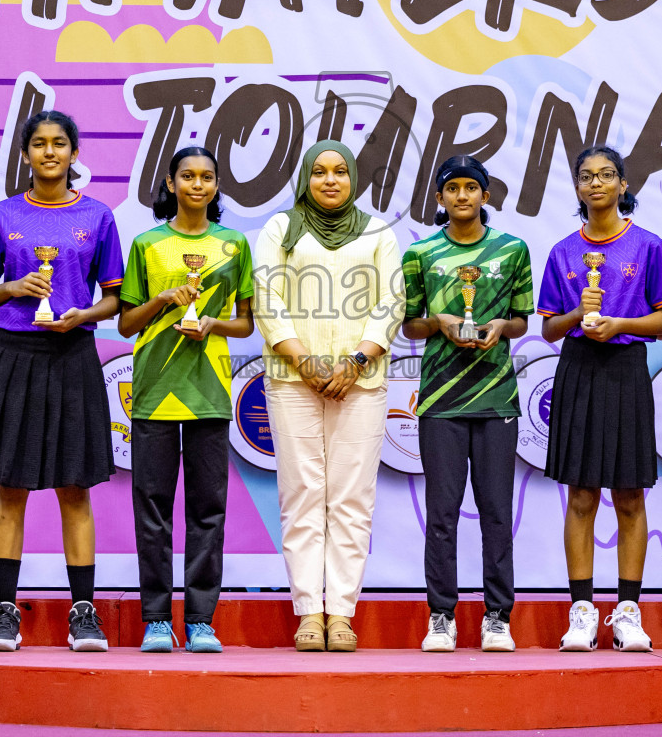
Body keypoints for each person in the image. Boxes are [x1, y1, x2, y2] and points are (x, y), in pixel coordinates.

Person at [0, 110, 123, 653]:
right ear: (26, 154)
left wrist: (85, 315)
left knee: (74, 489)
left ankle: (83, 613)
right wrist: (13, 289)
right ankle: (4, 612)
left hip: (74, 352)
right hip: (15, 354)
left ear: (75, 154)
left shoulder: (98, 216)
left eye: (60, 144)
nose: (49, 152)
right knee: (10, 488)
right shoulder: (1, 215)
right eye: (39, 143)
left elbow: (114, 298)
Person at [254, 140, 403, 652]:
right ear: (306, 179)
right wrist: (307, 361)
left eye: (340, 171)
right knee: (302, 496)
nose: (330, 180)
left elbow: (391, 301)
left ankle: (340, 612)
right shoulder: (280, 229)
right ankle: (308, 614)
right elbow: (266, 297)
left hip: (360, 382)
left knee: (351, 498)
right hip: (294, 380)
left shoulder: (378, 231)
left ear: (353, 177)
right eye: (319, 172)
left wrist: (357, 360)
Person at [537, 145, 662, 653]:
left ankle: (627, 612)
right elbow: (551, 329)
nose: (596, 184)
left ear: (623, 185)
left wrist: (619, 324)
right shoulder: (562, 251)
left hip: (626, 369)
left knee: (629, 494)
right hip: (578, 369)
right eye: (586, 176)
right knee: (580, 494)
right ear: (577, 187)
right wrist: (580, 313)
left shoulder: (648, 246)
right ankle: (581, 612)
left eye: (606, 175)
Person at [117, 147, 255, 653]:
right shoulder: (148, 244)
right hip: (154, 391)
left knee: (207, 510)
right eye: (187, 176)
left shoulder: (234, 244)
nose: (197, 185)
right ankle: (156, 618)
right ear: (171, 184)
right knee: (151, 509)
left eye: (207, 177)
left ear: (216, 186)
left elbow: (246, 323)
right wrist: (162, 300)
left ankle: (200, 620)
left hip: (210, 392)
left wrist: (212, 323)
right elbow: (126, 323)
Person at [401, 155, 533, 654]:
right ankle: (441, 616)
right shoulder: (421, 254)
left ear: (486, 196)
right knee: (442, 514)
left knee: (497, 511)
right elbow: (409, 325)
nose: (462, 196)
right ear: (439, 198)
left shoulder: (513, 249)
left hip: (496, 397)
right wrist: (438, 322)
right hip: (440, 400)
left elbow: (522, 320)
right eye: (452, 188)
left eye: (471, 187)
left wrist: (498, 327)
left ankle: (497, 616)